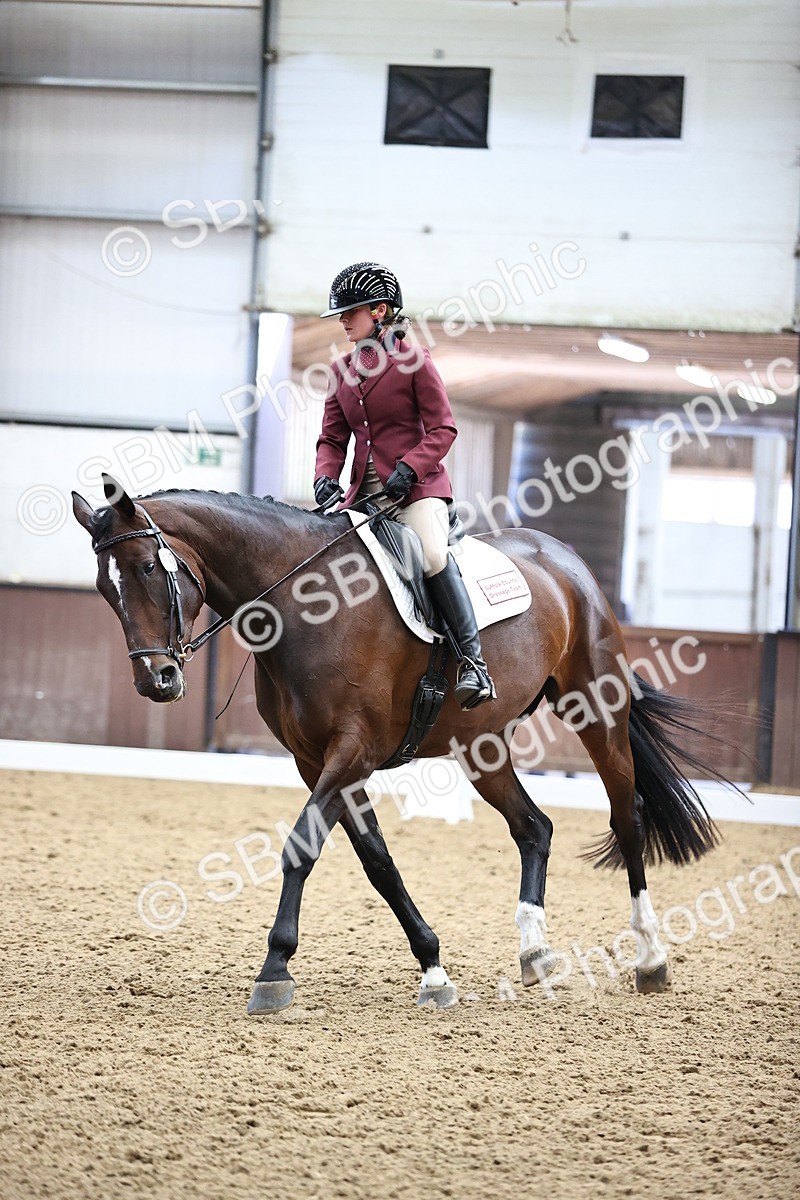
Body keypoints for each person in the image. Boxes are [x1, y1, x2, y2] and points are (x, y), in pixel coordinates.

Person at [313, 261, 495, 709]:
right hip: (364, 496)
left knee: (432, 554)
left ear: (379, 311)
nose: (342, 320)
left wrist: (411, 469)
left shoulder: (414, 360)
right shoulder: (340, 370)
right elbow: (332, 439)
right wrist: (323, 477)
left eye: (350, 311)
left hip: (417, 492)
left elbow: (444, 430)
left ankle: (473, 664)